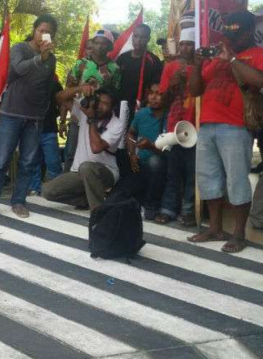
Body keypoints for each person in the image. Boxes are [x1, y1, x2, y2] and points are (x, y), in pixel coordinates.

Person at [189, 11, 263, 253]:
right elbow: (196, 90)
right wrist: (198, 65)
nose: (231, 38)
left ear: (250, 31)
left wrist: (231, 60)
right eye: (229, 33)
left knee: (237, 181)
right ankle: (215, 229)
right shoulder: (218, 58)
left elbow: (258, 81)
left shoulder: (258, 54)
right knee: (208, 179)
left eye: (237, 33)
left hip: (236, 126)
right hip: (208, 124)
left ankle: (239, 234)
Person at [0, 14, 58, 220]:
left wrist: (42, 112)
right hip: (12, 113)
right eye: (41, 30)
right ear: (34, 30)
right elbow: (18, 69)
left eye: (48, 32)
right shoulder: (20, 49)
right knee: (1, 161)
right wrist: (39, 57)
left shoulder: (52, 59)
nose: (43, 35)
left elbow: (46, 85)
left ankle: (18, 201)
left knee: (28, 163)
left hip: (35, 119)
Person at [43, 86, 126, 210]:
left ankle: (98, 211)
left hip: (106, 173)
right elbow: (59, 97)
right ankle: (86, 199)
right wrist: (80, 88)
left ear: (113, 107)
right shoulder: (86, 112)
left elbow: (96, 148)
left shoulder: (116, 124)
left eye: (105, 104)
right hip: (79, 172)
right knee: (47, 191)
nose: (99, 107)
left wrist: (91, 119)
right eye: (99, 102)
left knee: (86, 167)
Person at [156, 28, 197, 226]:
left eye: (189, 44)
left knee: (192, 171)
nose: (185, 48)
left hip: (196, 126)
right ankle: (168, 208)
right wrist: (172, 85)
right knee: (172, 171)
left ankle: (188, 210)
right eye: (182, 44)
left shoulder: (203, 65)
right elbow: (163, 101)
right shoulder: (170, 67)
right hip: (174, 125)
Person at [65, 29, 121, 172]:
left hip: (100, 119)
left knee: (95, 152)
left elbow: (115, 94)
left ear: (110, 47)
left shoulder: (114, 69)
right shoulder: (80, 64)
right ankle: (68, 183)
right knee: (70, 152)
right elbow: (68, 91)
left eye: (103, 44)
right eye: (96, 43)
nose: (99, 46)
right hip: (79, 112)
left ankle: (97, 185)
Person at [126, 83, 167, 219]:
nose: (154, 97)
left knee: (155, 162)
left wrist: (150, 146)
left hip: (163, 162)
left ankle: (152, 205)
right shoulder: (142, 113)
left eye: (159, 94)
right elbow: (131, 134)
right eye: (151, 93)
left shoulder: (170, 116)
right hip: (140, 162)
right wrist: (132, 154)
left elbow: (169, 149)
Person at [116, 24, 163, 124]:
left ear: (148, 39)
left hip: (141, 108)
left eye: (143, 37)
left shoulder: (153, 60)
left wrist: (146, 103)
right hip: (119, 106)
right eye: (136, 36)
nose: (138, 40)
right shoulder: (122, 58)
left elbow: (156, 86)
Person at [28, 76, 64, 195]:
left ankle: (58, 189)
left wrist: (62, 121)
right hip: (31, 130)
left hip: (49, 129)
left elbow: (63, 102)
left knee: (53, 161)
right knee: (33, 162)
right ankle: (35, 188)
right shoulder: (26, 82)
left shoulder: (53, 84)